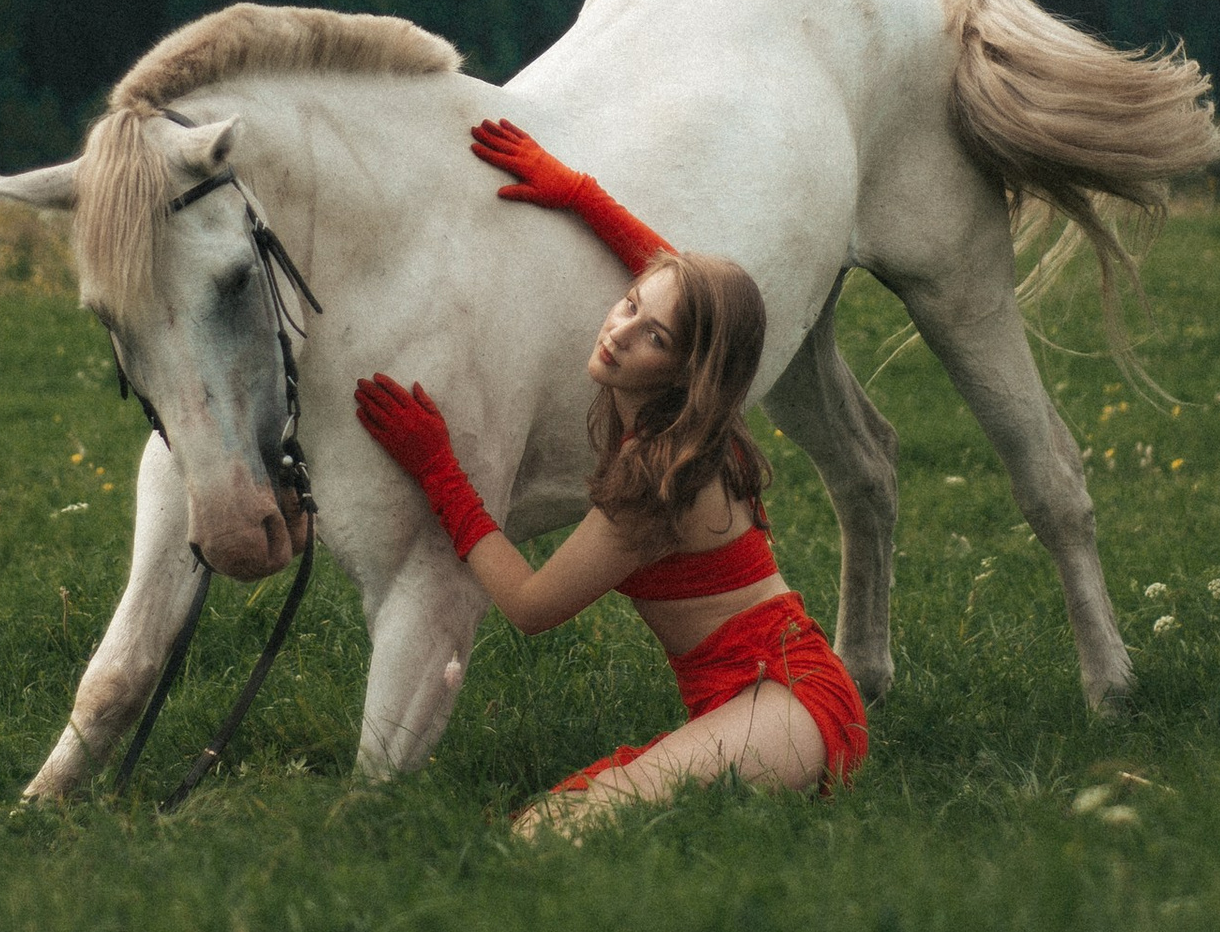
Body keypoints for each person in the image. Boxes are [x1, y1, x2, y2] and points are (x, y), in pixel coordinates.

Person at [353, 117, 868, 837]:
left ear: (688, 369)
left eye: (651, 336)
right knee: (545, 824)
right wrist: (576, 192)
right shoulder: (698, 420)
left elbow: (531, 607)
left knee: (546, 835)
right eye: (627, 306)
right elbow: (669, 277)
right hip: (750, 699)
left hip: (791, 698)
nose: (619, 331)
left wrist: (439, 468)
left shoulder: (661, 475)